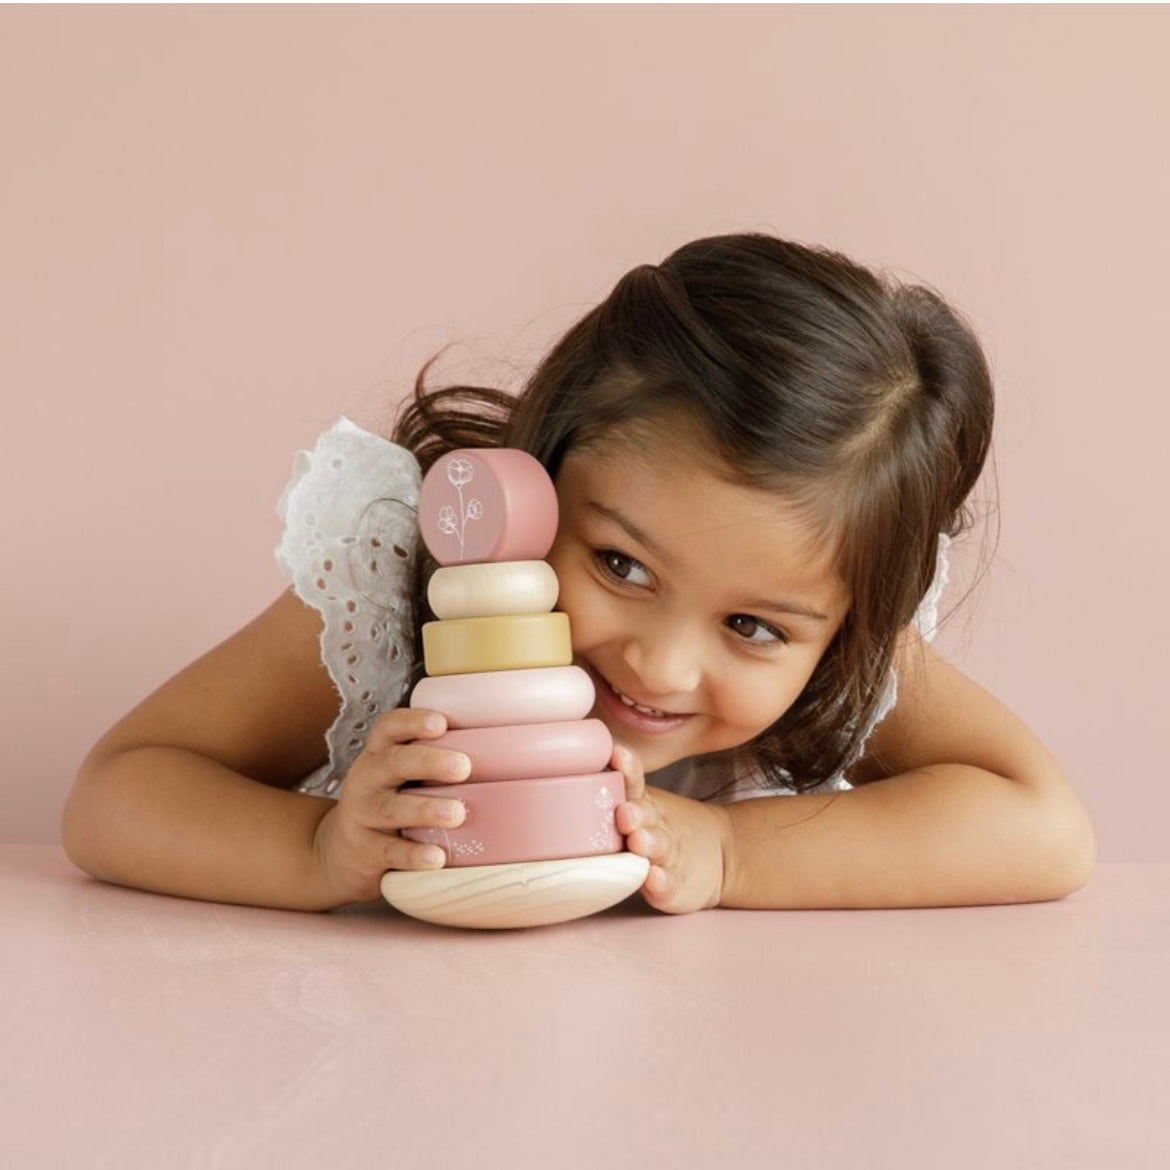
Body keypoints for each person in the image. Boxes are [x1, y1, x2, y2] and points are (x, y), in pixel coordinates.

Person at [61, 232, 1096, 915]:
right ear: (538, 477)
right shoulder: (402, 581)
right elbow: (117, 795)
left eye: (754, 629)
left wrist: (735, 855)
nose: (658, 662)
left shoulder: (839, 645)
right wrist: (316, 849)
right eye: (619, 563)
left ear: (839, 631)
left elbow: (1044, 827)